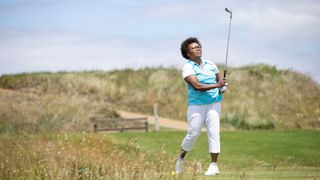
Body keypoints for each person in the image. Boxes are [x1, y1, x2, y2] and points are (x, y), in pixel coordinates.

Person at [175, 37, 226, 176]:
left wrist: (222, 87)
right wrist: (217, 85)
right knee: (193, 133)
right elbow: (197, 86)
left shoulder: (211, 65)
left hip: (214, 102)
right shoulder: (188, 67)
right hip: (196, 105)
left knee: (214, 132)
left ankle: (214, 165)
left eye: (198, 46)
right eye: (193, 48)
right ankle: (181, 158)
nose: (197, 48)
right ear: (187, 53)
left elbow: (219, 81)